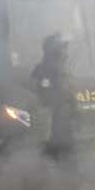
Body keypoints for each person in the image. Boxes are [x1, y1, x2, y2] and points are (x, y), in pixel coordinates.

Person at [31, 32, 77, 160]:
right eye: (63, 48)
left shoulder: (64, 69)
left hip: (66, 122)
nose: (66, 52)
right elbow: (44, 98)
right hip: (56, 123)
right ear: (54, 51)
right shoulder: (45, 70)